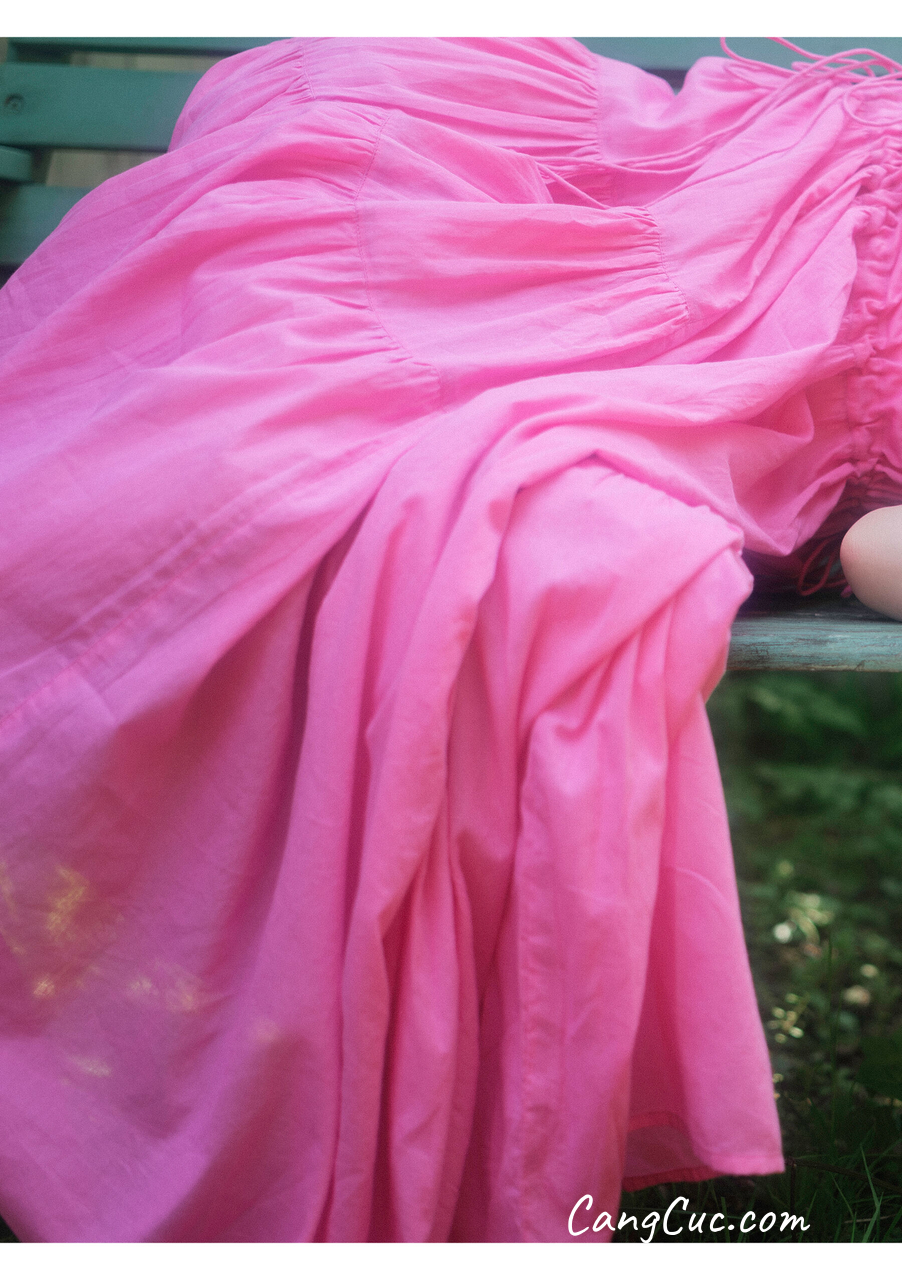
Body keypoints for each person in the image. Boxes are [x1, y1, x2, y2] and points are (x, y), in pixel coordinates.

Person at [0, 35, 898, 1243]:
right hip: (685, 208)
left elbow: (871, 548)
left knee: (271, 465)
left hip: (700, 336)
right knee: (276, 373)